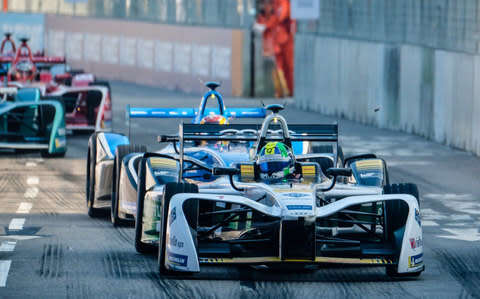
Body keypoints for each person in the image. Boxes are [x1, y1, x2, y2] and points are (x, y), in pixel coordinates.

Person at [258, 0, 295, 97]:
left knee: (287, 67)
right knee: (278, 65)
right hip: (276, 39)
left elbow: (280, 17)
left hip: (285, 39)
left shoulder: (283, 3)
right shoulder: (273, 3)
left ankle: (288, 91)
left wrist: (266, 25)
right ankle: (281, 91)